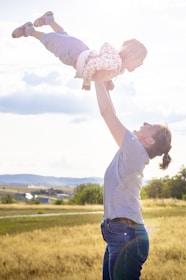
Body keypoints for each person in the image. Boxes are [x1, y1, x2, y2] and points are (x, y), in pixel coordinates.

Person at [93, 77, 172, 280]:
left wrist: (97, 78)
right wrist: (105, 87)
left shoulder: (135, 150)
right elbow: (113, 114)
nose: (144, 122)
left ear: (149, 140)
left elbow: (107, 114)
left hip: (127, 235)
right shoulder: (131, 150)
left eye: (150, 125)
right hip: (119, 233)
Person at [11, 11, 147, 91]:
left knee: (63, 38)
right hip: (74, 56)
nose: (141, 65)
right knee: (53, 42)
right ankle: (30, 30)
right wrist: (87, 82)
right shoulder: (114, 62)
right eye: (140, 61)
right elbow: (93, 66)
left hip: (81, 50)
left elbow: (101, 67)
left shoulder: (118, 67)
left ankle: (50, 20)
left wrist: (108, 80)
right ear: (130, 55)